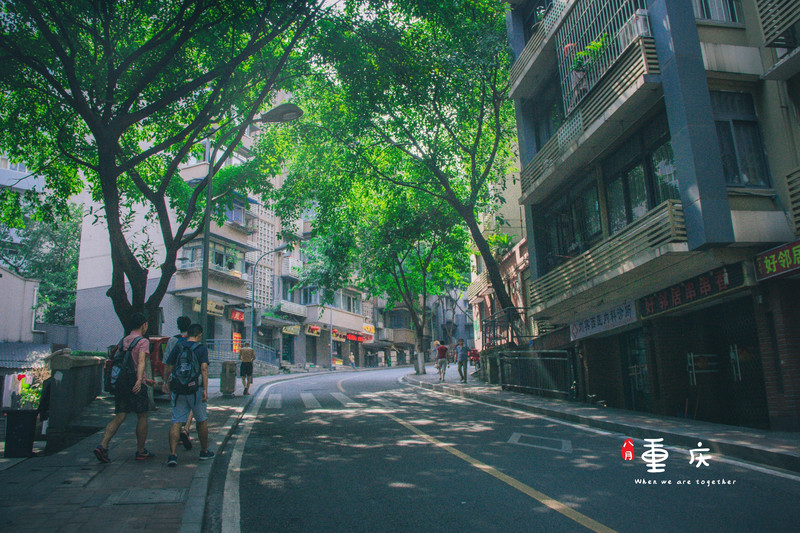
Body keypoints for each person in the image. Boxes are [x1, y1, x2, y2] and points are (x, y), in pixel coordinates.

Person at [93, 312, 156, 463]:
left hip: (121, 383)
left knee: (120, 415)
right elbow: (140, 362)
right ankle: (141, 451)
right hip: (135, 383)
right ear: (144, 325)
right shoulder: (142, 341)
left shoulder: (123, 341)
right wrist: (140, 381)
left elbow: (125, 363)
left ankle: (103, 445)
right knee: (142, 415)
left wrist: (145, 379)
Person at [163, 323, 215, 467]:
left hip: (178, 390)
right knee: (201, 420)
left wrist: (165, 382)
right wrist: (205, 389)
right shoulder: (201, 349)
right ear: (199, 335)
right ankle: (204, 451)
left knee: (176, 421)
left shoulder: (178, 346)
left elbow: (169, 366)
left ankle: (173, 455)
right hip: (195, 390)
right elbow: (204, 369)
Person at [164, 316, 193, 449]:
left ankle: (176, 439)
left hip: (175, 379)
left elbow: (167, 362)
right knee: (191, 406)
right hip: (191, 379)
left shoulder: (172, 340)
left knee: (177, 407)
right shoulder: (193, 340)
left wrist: (166, 381)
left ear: (178, 325)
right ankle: (185, 429)